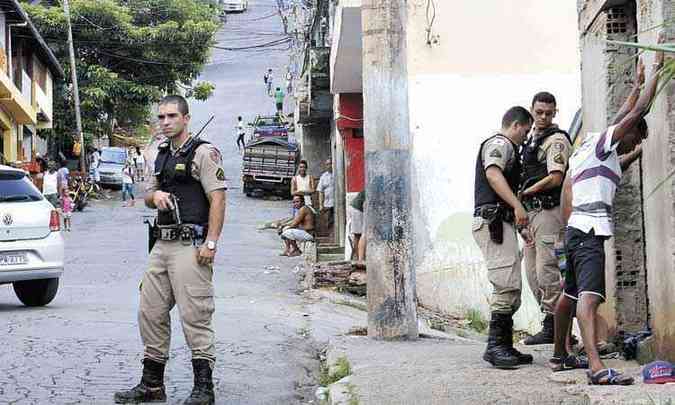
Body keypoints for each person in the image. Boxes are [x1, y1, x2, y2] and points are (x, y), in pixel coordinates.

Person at [550, 46, 663, 385]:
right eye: (632, 139)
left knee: (568, 295)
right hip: (588, 232)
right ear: (624, 133)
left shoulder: (593, 150)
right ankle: (596, 369)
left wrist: (633, 87)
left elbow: (624, 120)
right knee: (590, 296)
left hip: (575, 231)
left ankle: (559, 355)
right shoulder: (603, 143)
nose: (630, 146)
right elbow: (636, 112)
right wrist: (656, 72)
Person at [114, 95, 226, 404]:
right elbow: (147, 193)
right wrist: (156, 197)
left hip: (191, 245)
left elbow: (218, 198)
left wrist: (211, 243)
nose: (165, 122)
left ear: (186, 118)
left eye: (172, 116)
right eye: (161, 116)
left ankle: (204, 389)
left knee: (195, 314)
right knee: (149, 312)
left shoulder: (204, 153)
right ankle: (152, 385)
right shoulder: (161, 154)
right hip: (161, 244)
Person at [472, 106, 534, 369]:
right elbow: (493, 174)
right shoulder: (500, 143)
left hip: (502, 222)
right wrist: (518, 206)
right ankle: (495, 347)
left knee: (512, 288)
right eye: (526, 131)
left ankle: (505, 345)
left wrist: (519, 222)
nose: (527, 137)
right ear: (517, 125)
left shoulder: (510, 147)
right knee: (506, 285)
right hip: (493, 222)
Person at [519, 92, 573, 345]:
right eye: (539, 112)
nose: (543, 117)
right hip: (531, 214)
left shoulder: (556, 139)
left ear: (555, 113)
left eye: (548, 113)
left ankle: (557, 328)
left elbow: (556, 177)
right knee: (532, 273)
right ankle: (549, 321)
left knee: (547, 270)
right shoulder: (531, 140)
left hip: (549, 211)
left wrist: (527, 191)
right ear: (532, 110)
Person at [349, 190, 366, 261]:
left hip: (356, 207)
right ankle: (360, 259)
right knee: (363, 234)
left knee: (358, 235)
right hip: (358, 209)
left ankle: (359, 258)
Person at [317, 159, 334, 228]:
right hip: (327, 204)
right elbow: (320, 191)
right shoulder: (323, 176)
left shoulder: (338, 173)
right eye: (327, 164)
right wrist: (321, 205)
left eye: (330, 164)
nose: (329, 166)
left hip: (337, 204)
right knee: (328, 222)